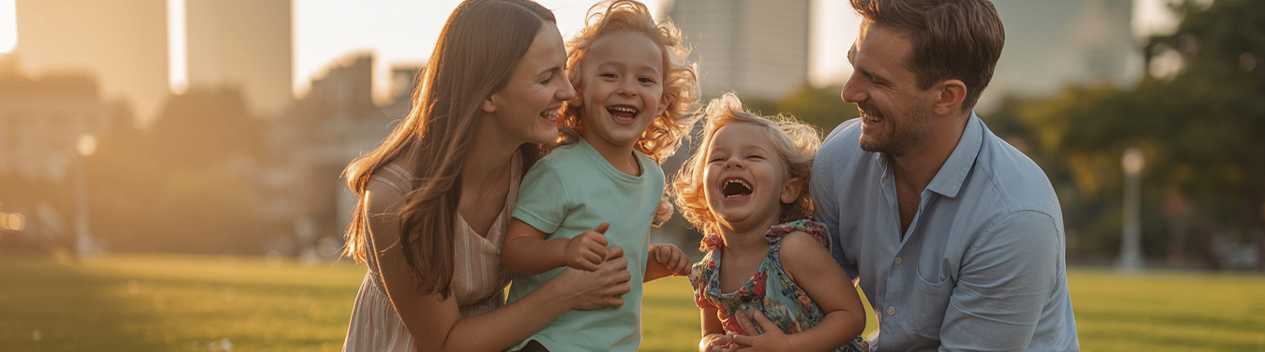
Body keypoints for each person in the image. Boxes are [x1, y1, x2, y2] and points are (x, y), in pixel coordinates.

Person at [338, 1, 633, 351]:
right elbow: (445, 343)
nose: (568, 91)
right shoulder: (395, 196)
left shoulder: (538, 170)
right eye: (547, 77)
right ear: (489, 93)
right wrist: (568, 291)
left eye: (565, 71)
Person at [809, 0, 1082, 350]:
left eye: (876, 80)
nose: (849, 93)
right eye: (855, 66)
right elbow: (804, 300)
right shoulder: (841, 157)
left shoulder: (1015, 217)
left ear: (947, 97)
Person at [497, 1, 700, 350]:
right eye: (610, 75)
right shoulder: (559, 171)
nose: (628, 89)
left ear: (662, 102)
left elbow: (616, 273)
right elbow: (512, 252)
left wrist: (653, 264)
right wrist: (565, 251)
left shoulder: (650, 178)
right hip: (547, 342)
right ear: (576, 90)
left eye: (645, 79)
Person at [671, 94, 870, 352]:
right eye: (718, 159)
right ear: (702, 189)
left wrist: (787, 345)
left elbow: (851, 316)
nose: (733, 162)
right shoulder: (710, 270)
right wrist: (710, 345)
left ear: (788, 190)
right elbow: (709, 332)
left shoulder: (793, 249)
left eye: (753, 156)